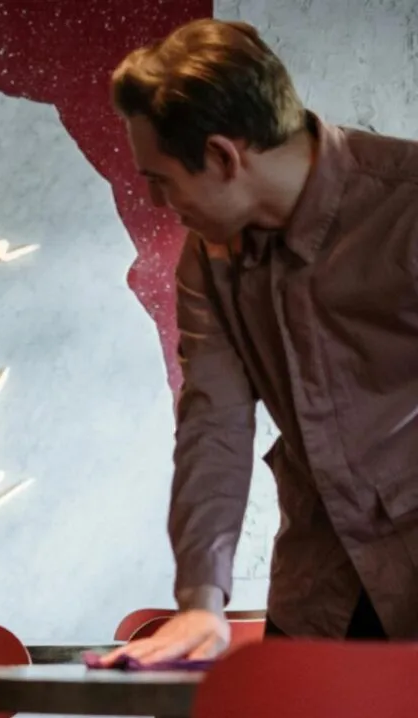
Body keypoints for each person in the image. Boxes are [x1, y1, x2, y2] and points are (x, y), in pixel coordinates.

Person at [101, 18, 418, 666]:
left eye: (160, 178)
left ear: (222, 157)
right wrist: (200, 599)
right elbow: (212, 424)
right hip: (320, 590)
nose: (159, 201)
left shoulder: (407, 206)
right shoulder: (207, 259)